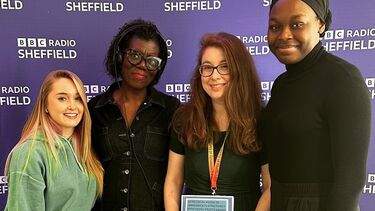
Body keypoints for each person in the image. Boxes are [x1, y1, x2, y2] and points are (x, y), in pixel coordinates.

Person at [260, 0, 371, 210]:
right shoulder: (281, 85)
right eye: (275, 26)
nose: (284, 35)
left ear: (320, 24)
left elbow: (350, 181)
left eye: (296, 24)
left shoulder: (343, 79)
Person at [164, 32, 271, 211]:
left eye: (224, 67)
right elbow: (173, 183)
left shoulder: (261, 120)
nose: (214, 76)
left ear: (239, 70)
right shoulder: (184, 118)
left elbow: (269, 187)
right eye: (207, 67)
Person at [89, 19, 180, 211]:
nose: (142, 65)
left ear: (158, 68)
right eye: (134, 55)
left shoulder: (172, 110)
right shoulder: (95, 109)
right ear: (119, 56)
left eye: (152, 61)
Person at [4, 70, 104, 211]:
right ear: (45, 104)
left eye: (78, 98)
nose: (72, 106)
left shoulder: (84, 148)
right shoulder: (29, 153)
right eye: (62, 98)